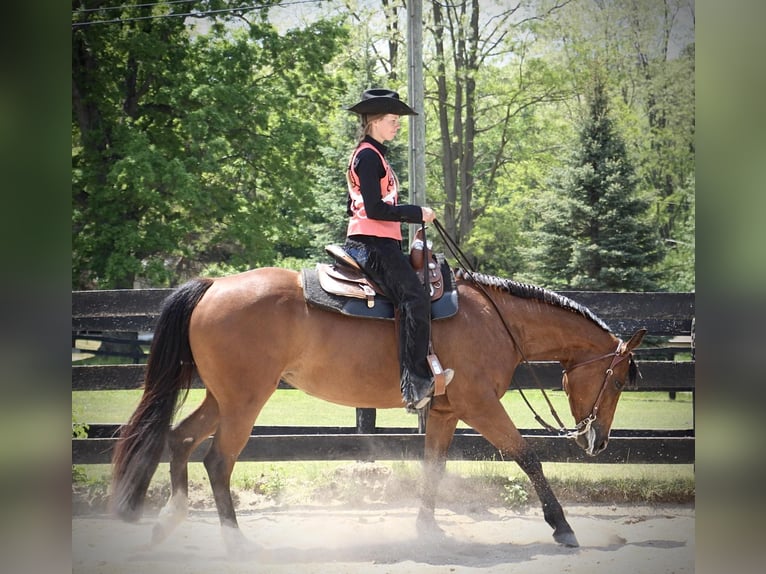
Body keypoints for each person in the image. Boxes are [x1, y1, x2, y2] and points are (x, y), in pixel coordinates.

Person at [342, 88, 454, 412]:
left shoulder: (374, 155)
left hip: (380, 241)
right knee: (414, 297)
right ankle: (416, 383)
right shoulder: (366, 156)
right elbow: (374, 209)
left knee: (414, 293)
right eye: (393, 120)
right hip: (372, 243)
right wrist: (416, 212)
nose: (397, 126)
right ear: (374, 121)